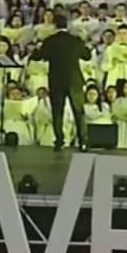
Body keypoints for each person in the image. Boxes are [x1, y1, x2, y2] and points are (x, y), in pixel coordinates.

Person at [33, 11, 92, 150]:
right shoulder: (75, 40)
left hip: (56, 81)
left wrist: (37, 48)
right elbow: (87, 56)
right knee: (79, 111)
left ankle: (59, 141)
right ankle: (83, 141)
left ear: (54, 25)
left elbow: (39, 57)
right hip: (74, 80)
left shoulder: (50, 41)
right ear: (67, 25)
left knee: (57, 112)